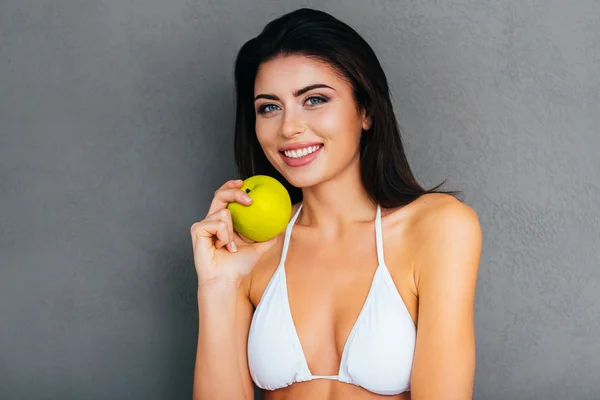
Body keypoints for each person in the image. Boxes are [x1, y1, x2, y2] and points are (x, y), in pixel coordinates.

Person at [190, 7, 482, 400]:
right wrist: (217, 285)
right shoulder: (251, 250)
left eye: (313, 99)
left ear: (366, 111)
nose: (289, 127)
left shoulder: (437, 227)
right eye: (269, 107)